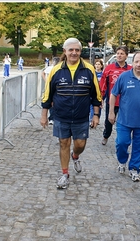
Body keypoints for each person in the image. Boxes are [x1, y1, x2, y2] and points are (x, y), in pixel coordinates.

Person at [40, 37, 102, 189]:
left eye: (77, 50)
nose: (74, 53)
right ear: (65, 52)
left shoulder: (89, 69)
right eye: (71, 50)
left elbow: (96, 95)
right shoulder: (56, 70)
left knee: (80, 144)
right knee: (64, 143)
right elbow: (47, 94)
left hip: (81, 117)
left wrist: (96, 115)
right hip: (61, 116)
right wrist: (44, 115)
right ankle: (64, 174)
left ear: (80, 52)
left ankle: (76, 156)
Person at [108, 51, 140, 182]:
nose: (139, 64)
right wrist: (111, 112)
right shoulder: (124, 77)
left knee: (139, 147)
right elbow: (113, 94)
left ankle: (134, 168)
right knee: (121, 143)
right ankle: (122, 161)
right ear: (132, 62)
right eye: (136, 61)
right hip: (124, 120)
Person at [99, 45, 132, 145]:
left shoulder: (131, 69)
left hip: (126, 102)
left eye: (122, 54)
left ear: (126, 56)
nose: (119, 56)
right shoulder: (109, 68)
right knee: (109, 122)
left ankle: (121, 139)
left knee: (123, 123)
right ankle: (106, 135)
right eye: (117, 54)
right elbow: (103, 85)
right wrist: (101, 98)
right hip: (112, 101)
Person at [42, 56, 61, 125]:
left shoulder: (58, 68)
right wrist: (46, 80)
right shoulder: (51, 68)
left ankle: (53, 117)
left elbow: (43, 73)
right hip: (50, 87)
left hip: (56, 87)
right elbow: (43, 73)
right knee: (51, 101)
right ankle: (52, 117)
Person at [89, 59, 104, 128]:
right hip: (93, 92)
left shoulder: (103, 74)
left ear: (101, 66)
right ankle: (91, 120)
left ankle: (96, 118)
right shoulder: (92, 73)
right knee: (92, 106)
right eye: (96, 64)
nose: (97, 66)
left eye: (99, 64)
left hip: (101, 93)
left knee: (99, 107)